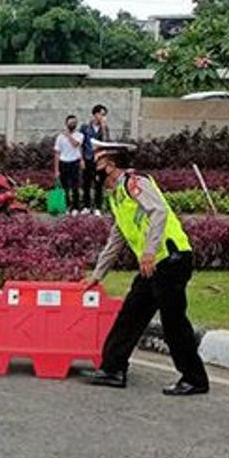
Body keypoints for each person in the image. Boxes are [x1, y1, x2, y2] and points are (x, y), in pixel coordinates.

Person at [85, 146, 210, 396]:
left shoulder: (135, 182)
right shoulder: (117, 195)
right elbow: (117, 238)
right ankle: (113, 369)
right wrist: (97, 275)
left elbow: (159, 212)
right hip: (154, 263)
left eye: (97, 162)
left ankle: (195, 379)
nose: (92, 168)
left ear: (109, 165)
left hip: (170, 258)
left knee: (173, 321)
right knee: (131, 313)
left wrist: (149, 252)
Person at [79, 105, 111, 215]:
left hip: (99, 160)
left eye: (104, 115)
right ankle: (86, 206)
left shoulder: (104, 128)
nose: (103, 117)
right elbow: (80, 145)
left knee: (98, 184)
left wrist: (103, 127)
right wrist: (81, 159)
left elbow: (106, 142)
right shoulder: (85, 128)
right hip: (87, 158)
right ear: (95, 114)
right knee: (86, 184)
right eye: (101, 114)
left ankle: (98, 207)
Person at [53, 115, 84, 215]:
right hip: (63, 163)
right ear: (66, 123)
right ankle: (67, 207)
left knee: (75, 186)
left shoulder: (79, 135)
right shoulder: (60, 137)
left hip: (74, 162)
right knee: (65, 187)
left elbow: (76, 144)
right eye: (71, 122)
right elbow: (57, 153)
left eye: (74, 123)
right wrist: (56, 170)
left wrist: (68, 136)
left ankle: (76, 207)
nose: (73, 124)